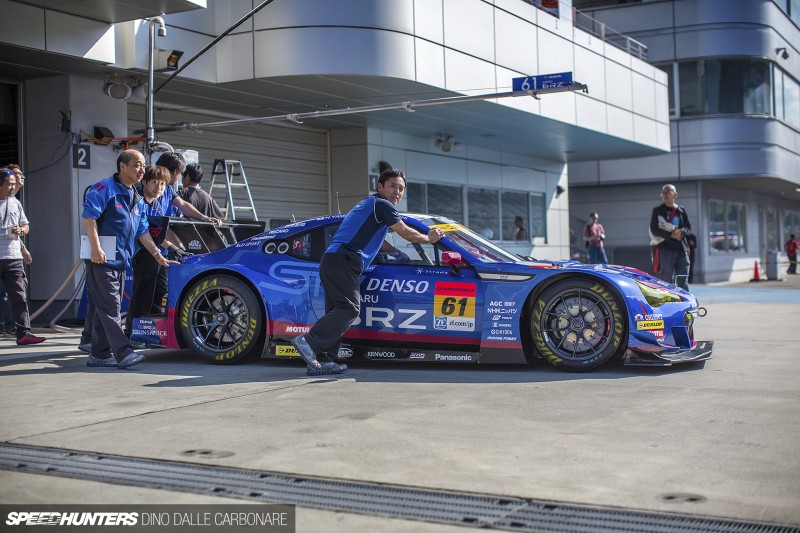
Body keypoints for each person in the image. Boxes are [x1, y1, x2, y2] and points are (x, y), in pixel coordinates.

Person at [290, 168, 444, 376]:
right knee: (349, 309)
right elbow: (406, 233)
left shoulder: (371, 206)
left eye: (401, 189)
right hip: (343, 260)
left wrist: (398, 253)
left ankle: (323, 360)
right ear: (380, 187)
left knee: (337, 312)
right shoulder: (382, 205)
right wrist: (429, 238)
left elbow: (377, 242)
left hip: (335, 260)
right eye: (393, 186)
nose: (397, 192)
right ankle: (308, 342)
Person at [81, 150, 175, 369]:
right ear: (122, 167)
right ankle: (123, 352)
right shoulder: (104, 189)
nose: (142, 169)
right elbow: (89, 217)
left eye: (143, 166)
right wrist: (95, 248)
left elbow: (143, 232)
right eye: (137, 165)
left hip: (121, 262)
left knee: (104, 309)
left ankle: (99, 354)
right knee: (111, 308)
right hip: (101, 259)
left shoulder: (136, 197)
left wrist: (157, 255)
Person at [124, 165, 191, 337]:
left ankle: (149, 333)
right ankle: (131, 332)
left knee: (160, 292)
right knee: (142, 294)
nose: (159, 187)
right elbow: (143, 235)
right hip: (142, 254)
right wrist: (166, 249)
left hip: (158, 255)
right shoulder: (138, 202)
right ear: (144, 182)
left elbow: (161, 235)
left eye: (162, 184)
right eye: (154, 182)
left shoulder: (156, 206)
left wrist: (178, 249)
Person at [0, 167, 45, 345]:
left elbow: (26, 225)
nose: (12, 188)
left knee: (19, 295)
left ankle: (24, 333)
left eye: (13, 184)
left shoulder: (15, 202)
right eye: (9, 185)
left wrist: (22, 230)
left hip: (13, 256)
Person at [650, 184, 692, 290]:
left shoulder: (681, 211)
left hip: (681, 250)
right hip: (665, 250)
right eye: (663, 193)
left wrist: (681, 233)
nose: (665, 195)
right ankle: (667, 305)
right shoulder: (657, 211)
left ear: (675, 194)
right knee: (665, 281)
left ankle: (685, 304)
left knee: (683, 280)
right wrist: (671, 235)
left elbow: (688, 228)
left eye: (668, 192)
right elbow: (654, 229)